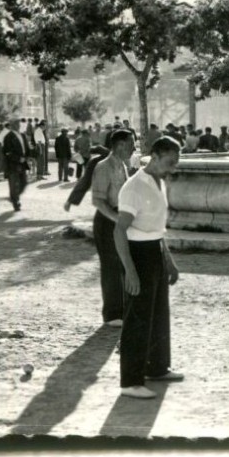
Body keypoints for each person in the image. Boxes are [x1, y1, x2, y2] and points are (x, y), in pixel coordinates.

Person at [113, 136, 184, 399]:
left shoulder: (159, 182)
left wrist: (169, 261)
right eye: (169, 163)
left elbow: (156, 229)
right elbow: (119, 231)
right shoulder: (134, 188)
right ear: (153, 157)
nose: (172, 169)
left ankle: (156, 368)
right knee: (137, 320)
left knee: (158, 314)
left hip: (154, 251)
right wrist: (130, 271)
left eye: (175, 164)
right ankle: (130, 382)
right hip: (137, 255)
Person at [91, 129, 134, 327]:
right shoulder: (103, 167)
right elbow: (98, 201)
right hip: (107, 221)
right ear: (120, 145)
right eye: (131, 144)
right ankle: (112, 314)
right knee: (111, 266)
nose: (134, 148)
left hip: (119, 219)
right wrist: (117, 220)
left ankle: (124, 309)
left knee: (123, 263)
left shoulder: (122, 166)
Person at [63, 144, 110, 212]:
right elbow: (101, 149)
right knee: (85, 182)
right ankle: (70, 201)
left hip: (100, 160)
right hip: (99, 161)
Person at [2, 118, 29, 211]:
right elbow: (7, 152)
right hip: (12, 165)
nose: (19, 125)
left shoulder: (23, 135)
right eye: (16, 123)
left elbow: (26, 148)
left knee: (24, 183)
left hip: (22, 163)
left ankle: (14, 196)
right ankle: (15, 202)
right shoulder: (8, 137)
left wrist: (30, 155)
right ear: (12, 125)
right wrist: (18, 158)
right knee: (14, 184)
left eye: (19, 124)